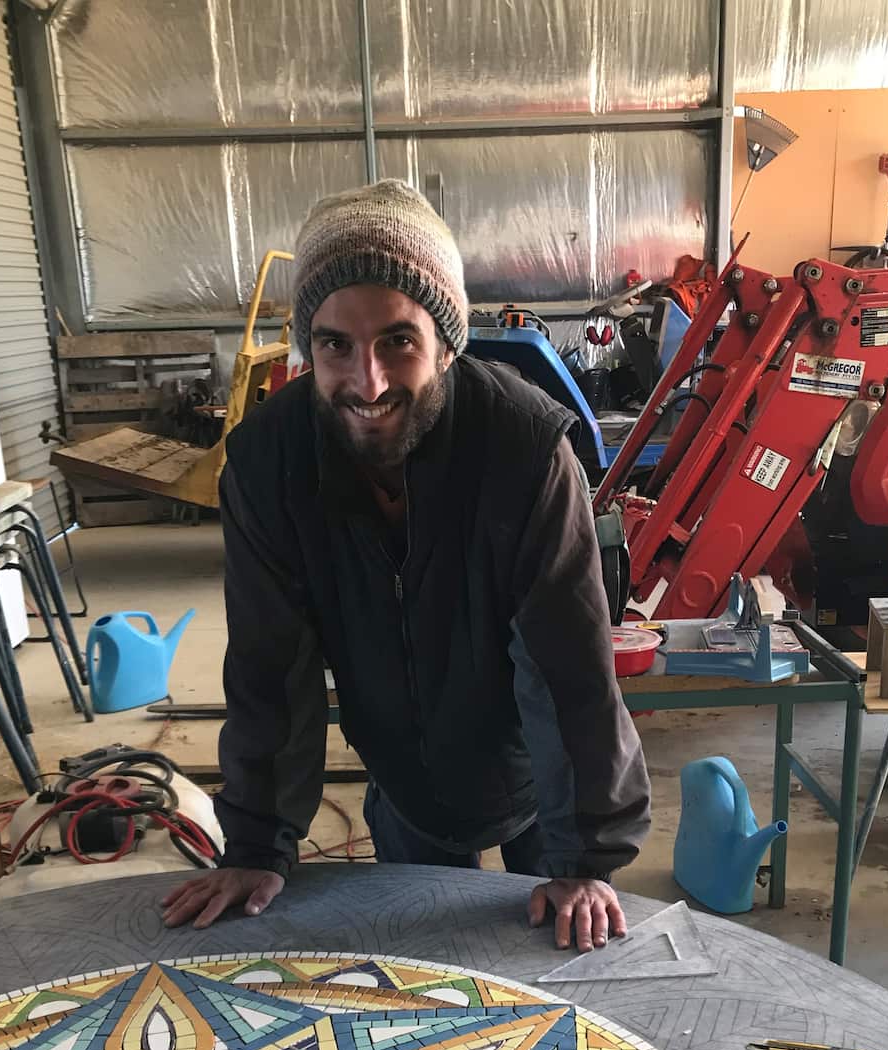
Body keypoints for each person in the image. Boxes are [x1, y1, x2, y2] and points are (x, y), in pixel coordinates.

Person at [164, 179, 650, 950]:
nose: (369, 382)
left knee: (552, 966)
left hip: (531, 785)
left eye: (398, 340)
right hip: (401, 785)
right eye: (335, 345)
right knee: (427, 982)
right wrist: (258, 844)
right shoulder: (268, 464)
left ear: (447, 343)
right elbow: (268, 667)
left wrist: (584, 856)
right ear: (307, 345)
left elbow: (566, 673)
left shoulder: (523, 452)